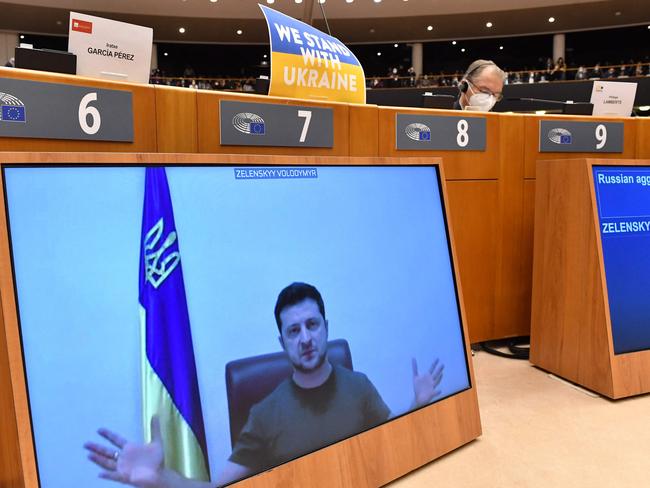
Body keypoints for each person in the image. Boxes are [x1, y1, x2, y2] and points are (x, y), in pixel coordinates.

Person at [85, 282, 444, 488]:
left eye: (312, 325)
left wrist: (420, 405)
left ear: (326, 327)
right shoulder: (266, 413)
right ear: (282, 342)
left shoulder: (359, 386)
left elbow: (390, 442)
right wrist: (161, 477)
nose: (305, 338)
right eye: (293, 330)